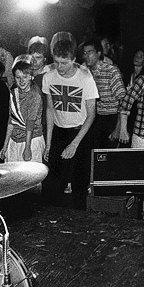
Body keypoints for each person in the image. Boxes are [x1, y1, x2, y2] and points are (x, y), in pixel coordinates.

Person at [42, 38, 98, 209]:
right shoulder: (48, 77)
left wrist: (74, 144)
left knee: (79, 186)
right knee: (53, 184)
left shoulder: (85, 78)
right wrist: (49, 143)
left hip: (80, 132)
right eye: (56, 62)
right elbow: (50, 110)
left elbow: (91, 115)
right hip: (59, 131)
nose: (60, 67)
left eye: (64, 63)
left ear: (73, 59)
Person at [82, 38, 126, 150]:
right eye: (84, 53)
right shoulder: (84, 73)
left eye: (90, 52)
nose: (87, 56)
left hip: (110, 119)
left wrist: (118, 128)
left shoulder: (111, 71)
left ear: (98, 53)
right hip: (92, 119)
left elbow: (123, 100)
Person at [0, 60, 45, 163]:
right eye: (18, 77)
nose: (21, 81)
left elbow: (30, 124)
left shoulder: (35, 96)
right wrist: (5, 145)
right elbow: (11, 121)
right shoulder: (13, 93)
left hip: (31, 140)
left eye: (25, 77)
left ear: (31, 77)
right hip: (14, 140)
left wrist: (27, 148)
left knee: (31, 176)